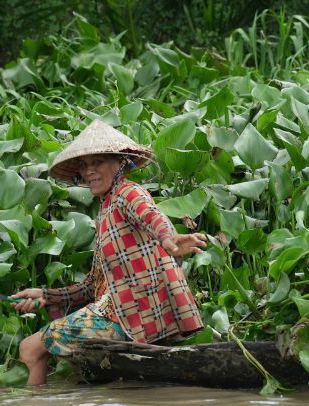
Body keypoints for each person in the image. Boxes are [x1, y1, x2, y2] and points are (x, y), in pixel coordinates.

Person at [11, 119, 207, 385]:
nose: (89, 171)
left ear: (121, 163)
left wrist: (170, 239)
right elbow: (93, 285)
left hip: (132, 317)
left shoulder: (128, 193)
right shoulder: (106, 208)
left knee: (30, 349)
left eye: (99, 162)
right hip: (119, 313)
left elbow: (152, 216)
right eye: (84, 165)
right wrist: (46, 295)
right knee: (76, 364)